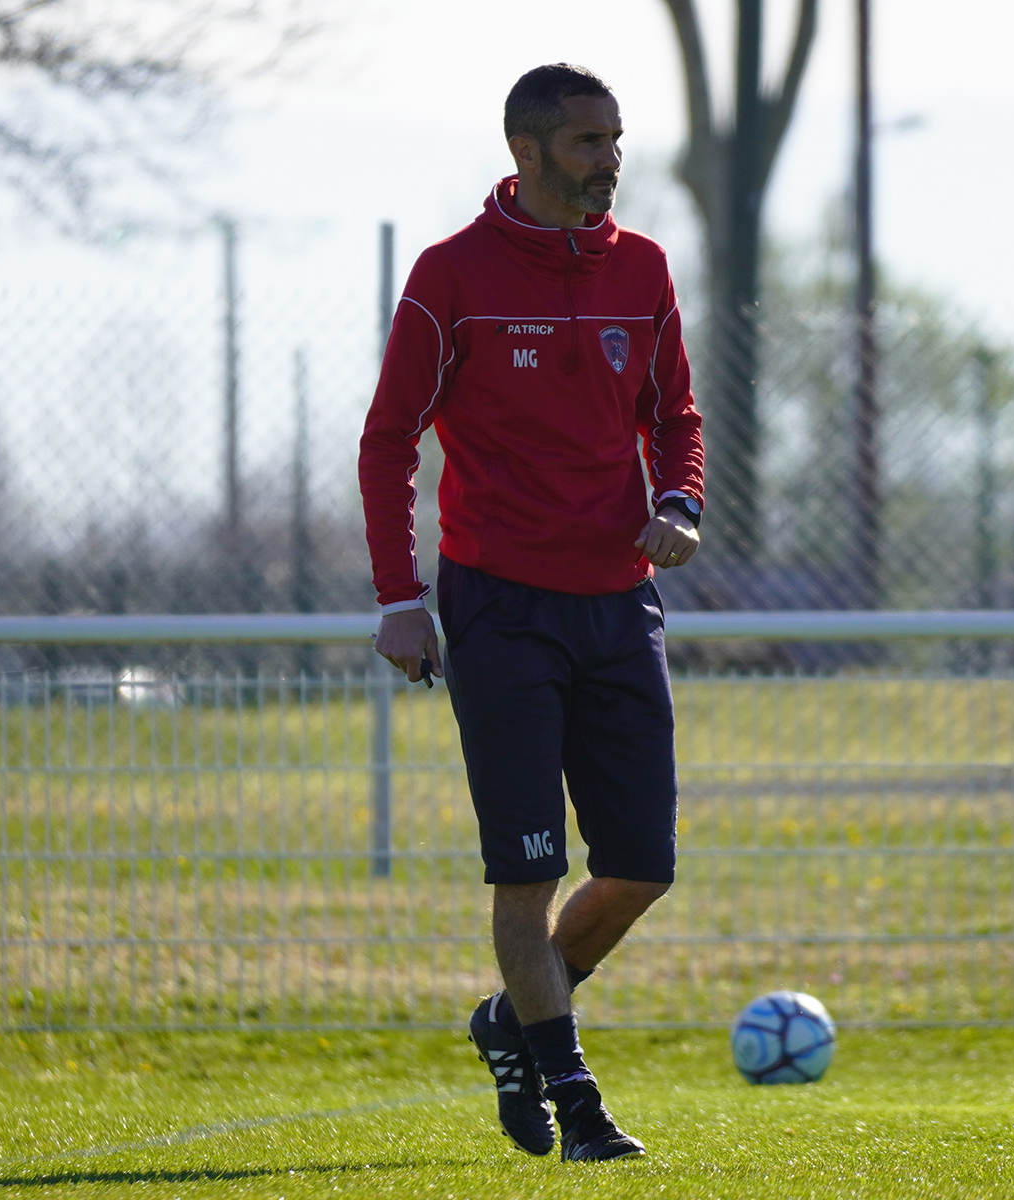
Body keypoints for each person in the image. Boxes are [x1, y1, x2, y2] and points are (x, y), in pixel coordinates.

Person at [358, 63, 704, 1164]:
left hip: (618, 605)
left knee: (641, 865)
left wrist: (680, 502)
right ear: (528, 150)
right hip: (500, 606)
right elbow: (384, 444)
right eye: (588, 141)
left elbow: (676, 416)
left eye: (615, 137)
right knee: (526, 870)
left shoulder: (642, 269)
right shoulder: (449, 276)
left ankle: (513, 1019)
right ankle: (575, 1095)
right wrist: (400, 600)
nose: (610, 158)